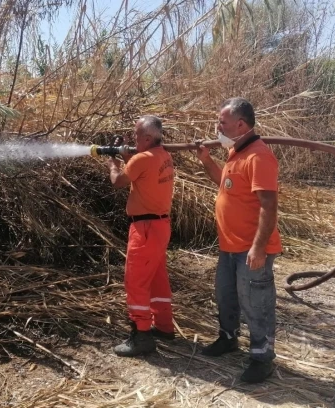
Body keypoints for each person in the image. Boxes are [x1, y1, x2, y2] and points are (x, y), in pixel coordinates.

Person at [195, 97, 282, 383]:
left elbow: (269, 206)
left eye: (222, 122)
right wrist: (207, 161)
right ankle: (228, 338)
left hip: (250, 249)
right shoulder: (237, 152)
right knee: (226, 297)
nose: (217, 127)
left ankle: (261, 357)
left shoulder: (259, 156)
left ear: (241, 124)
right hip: (229, 246)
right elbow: (226, 184)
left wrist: (258, 248)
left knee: (256, 303)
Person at [106, 115, 176, 357]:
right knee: (157, 279)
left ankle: (142, 335)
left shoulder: (143, 159)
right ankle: (165, 327)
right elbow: (142, 173)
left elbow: (118, 181)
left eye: (136, 135)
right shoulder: (163, 156)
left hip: (144, 229)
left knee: (135, 281)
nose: (132, 138)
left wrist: (112, 162)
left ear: (147, 138)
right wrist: (128, 158)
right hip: (160, 226)